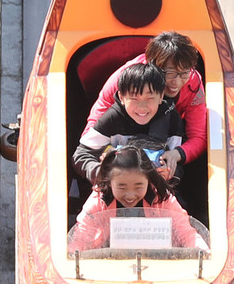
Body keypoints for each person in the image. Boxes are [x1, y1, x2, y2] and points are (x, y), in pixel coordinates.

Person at [84, 31, 206, 177]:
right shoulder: (124, 80)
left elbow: (198, 136)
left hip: (165, 139)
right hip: (124, 140)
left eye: (184, 73)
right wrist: (108, 153)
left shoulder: (193, 83)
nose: (176, 82)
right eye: (169, 73)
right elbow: (91, 132)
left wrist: (176, 154)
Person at [68, 146, 208, 253]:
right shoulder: (99, 199)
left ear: (149, 180)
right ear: (110, 182)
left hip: (158, 261)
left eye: (138, 186)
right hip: (110, 261)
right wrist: (73, 256)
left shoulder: (162, 197)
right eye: (122, 187)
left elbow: (184, 231)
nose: (130, 195)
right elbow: (82, 237)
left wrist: (202, 251)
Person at [73, 62, 185, 184]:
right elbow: (81, 155)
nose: (142, 107)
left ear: (161, 96)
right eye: (134, 99)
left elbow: (178, 166)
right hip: (116, 188)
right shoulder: (112, 118)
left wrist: (169, 173)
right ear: (121, 98)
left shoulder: (171, 119)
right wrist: (103, 172)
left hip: (155, 189)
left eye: (150, 98)